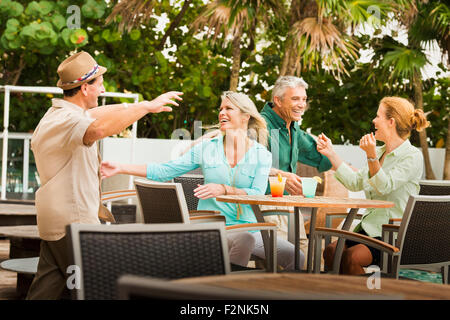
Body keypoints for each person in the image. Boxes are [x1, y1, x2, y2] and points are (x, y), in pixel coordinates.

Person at [27, 51, 182, 299]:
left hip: (58, 220)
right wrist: (145, 107)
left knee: (48, 286)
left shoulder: (60, 114)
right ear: (85, 88)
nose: (102, 89)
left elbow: (96, 116)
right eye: (98, 84)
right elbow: (97, 128)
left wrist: (141, 106)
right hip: (72, 221)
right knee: (97, 287)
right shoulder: (67, 120)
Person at [101, 91, 303, 270]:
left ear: (245, 116)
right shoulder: (206, 148)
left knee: (298, 258)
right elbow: (165, 170)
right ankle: (222, 294)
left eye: (229, 108)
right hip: (211, 226)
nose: (222, 113)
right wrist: (121, 167)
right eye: (221, 108)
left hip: (247, 227)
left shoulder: (262, 154)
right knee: (245, 240)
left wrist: (224, 189)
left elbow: (257, 193)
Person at [316, 96, 429, 275]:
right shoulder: (378, 152)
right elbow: (355, 183)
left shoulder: (412, 156)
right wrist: (331, 153)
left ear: (391, 122)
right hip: (368, 228)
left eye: (378, 116)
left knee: (351, 257)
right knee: (331, 251)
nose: (373, 121)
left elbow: (384, 186)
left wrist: (371, 157)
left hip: (392, 233)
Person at [260, 76, 332, 262]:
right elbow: (245, 164)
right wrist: (279, 174)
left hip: (289, 201)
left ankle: (309, 289)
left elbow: (318, 154)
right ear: (278, 100)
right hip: (265, 201)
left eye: (304, 99)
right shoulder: (260, 125)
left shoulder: (293, 128)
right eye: (295, 99)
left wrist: (339, 164)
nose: (301, 104)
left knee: (308, 256)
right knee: (283, 258)